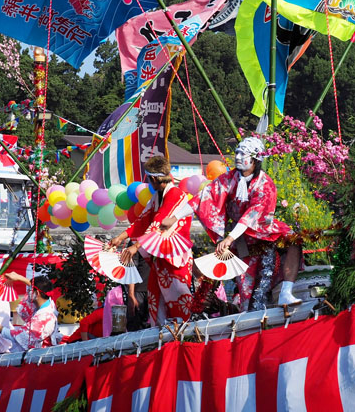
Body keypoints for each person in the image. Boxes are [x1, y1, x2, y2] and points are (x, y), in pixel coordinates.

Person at [190, 136, 302, 309]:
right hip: (242, 243)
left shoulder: (266, 184)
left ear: (255, 159)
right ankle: (244, 313)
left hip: (263, 233)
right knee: (246, 291)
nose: (238, 157)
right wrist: (173, 218)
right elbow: (203, 197)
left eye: (243, 154)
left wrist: (229, 238)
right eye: (237, 152)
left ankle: (286, 291)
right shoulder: (229, 178)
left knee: (294, 240)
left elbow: (252, 216)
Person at [109, 156, 194, 325]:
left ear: (154, 179)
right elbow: (142, 221)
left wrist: (136, 246)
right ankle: (160, 337)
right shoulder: (156, 197)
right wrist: (120, 237)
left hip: (176, 258)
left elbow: (158, 224)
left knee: (178, 297)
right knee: (156, 298)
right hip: (161, 257)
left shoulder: (175, 194)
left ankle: (181, 336)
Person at [0, 274, 57, 351]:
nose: (27, 293)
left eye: (29, 291)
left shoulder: (43, 317)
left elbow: (16, 336)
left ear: (37, 293)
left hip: (39, 357)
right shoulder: (49, 304)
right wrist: (18, 277)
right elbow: (37, 290)